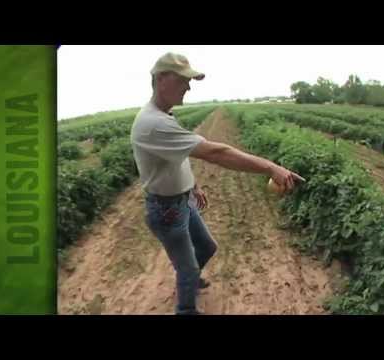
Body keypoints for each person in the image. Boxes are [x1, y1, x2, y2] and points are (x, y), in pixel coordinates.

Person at [130, 52, 305, 315]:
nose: (188, 87)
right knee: (186, 266)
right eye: (183, 80)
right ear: (161, 79)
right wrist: (270, 167)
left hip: (182, 200)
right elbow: (216, 153)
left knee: (207, 247)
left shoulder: (164, 116)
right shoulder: (153, 123)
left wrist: (193, 185)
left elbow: (175, 158)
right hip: (166, 209)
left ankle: (187, 280)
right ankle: (186, 307)